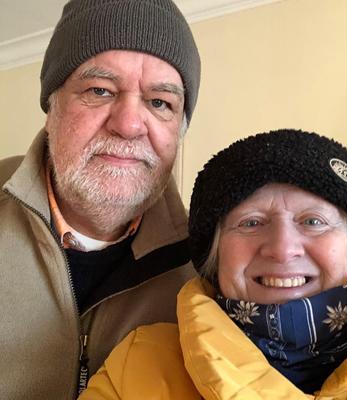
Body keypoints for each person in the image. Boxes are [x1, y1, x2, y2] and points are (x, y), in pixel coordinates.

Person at [79, 129, 347, 399]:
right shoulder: (139, 367)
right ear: (215, 257)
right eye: (251, 222)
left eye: (313, 221)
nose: (282, 249)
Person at [0, 0, 200, 399]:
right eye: (99, 90)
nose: (129, 125)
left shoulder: (211, 266)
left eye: (160, 102)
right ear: (52, 107)